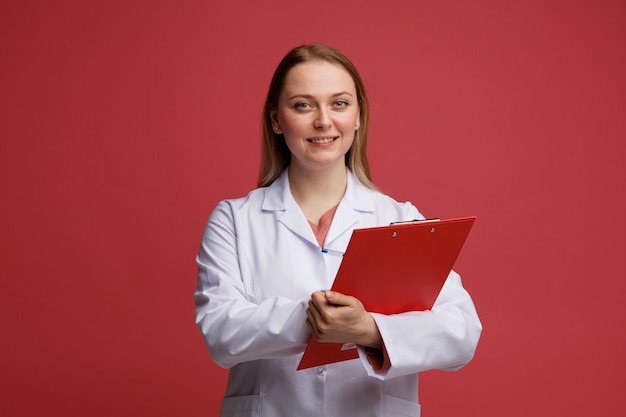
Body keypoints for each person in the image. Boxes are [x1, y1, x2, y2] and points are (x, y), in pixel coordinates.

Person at [195, 43, 482, 417]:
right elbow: (220, 333)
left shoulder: (400, 219)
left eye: (340, 103)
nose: (323, 121)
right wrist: (312, 316)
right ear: (276, 120)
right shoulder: (234, 220)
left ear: (358, 115)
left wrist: (367, 330)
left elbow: (461, 332)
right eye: (303, 104)